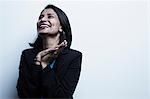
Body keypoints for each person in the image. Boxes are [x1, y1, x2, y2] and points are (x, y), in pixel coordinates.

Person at [16, 4, 82, 99]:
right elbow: (24, 94)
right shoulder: (27, 55)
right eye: (41, 17)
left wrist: (45, 65)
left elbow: (63, 97)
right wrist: (37, 63)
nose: (42, 20)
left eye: (50, 16)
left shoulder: (73, 57)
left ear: (61, 27)